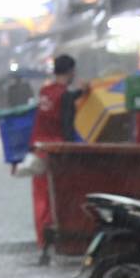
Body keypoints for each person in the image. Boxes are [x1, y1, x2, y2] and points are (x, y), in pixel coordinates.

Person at [29, 54, 78, 254]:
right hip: (56, 152)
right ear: (70, 71)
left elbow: (58, 102)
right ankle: (57, 239)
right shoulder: (64, 95)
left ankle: (42, 238)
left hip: (39, 149)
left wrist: (79, 94)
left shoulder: (45, 92)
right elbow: (67, 128)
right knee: (56, 197)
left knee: (40, 197)